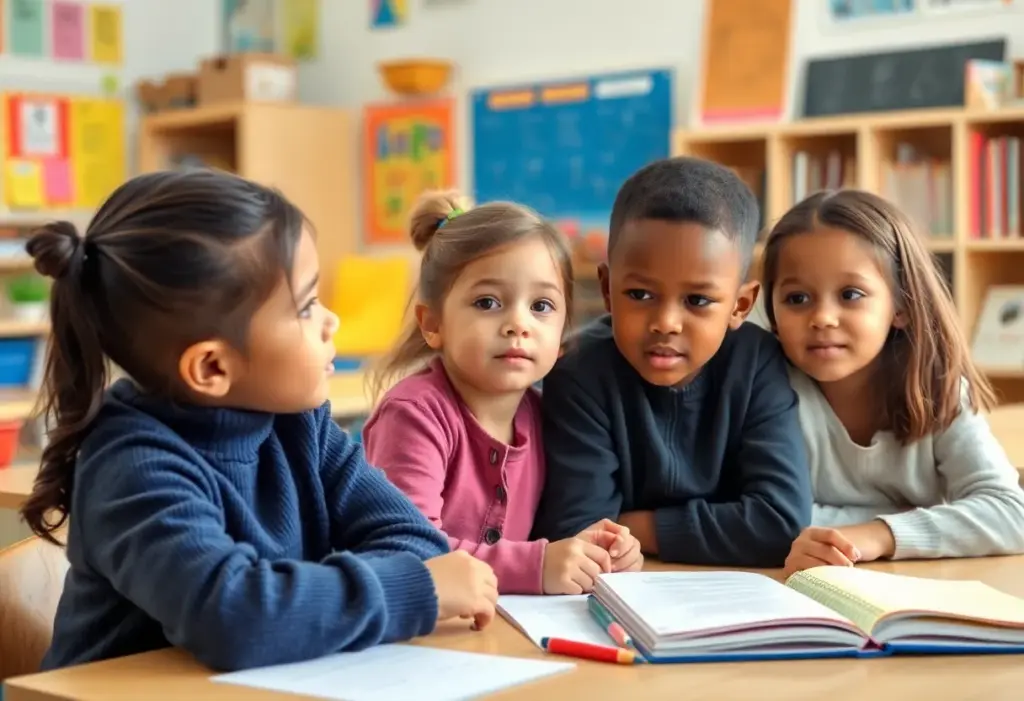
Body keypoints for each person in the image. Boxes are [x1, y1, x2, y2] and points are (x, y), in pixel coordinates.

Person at [20, 170, 497, 673]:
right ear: (212, 368)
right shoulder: (133, 466)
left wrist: (302, 605)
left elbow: (415, 539)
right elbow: (237, 618)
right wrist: (406, 589)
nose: (332, 321)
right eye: (308, 305)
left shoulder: (299, 423)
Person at [531, 156, 812, 566]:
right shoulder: (578, 374)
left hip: (733, 596)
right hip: (623, 596)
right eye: (640, 295)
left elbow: (781, 522)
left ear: (740, 305)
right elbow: (578, 533)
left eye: (698, 301)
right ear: (608, 289)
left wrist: (636, 526)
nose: (665, 323)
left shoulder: (756, 363)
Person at [363, 191, 642, 596]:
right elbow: (411, 554)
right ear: (433, 324)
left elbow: (542, 538)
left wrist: (592, 550)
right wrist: (537, 565)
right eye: (488, 302)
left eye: (542, 306)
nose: (518, 324)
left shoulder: (544, 415)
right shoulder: (414, 415)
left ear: (563, 333)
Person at [759, 189, 1024, 575]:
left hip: (924, 587)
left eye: (850, 294)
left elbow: (1011, 512)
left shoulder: (938, 389)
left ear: (901, 306)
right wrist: (923, 518)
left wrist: (878, 535)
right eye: (797, 299)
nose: (822, 318)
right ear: (771, 310)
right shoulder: (766, 390)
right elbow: (761, 517)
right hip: (807, 589)